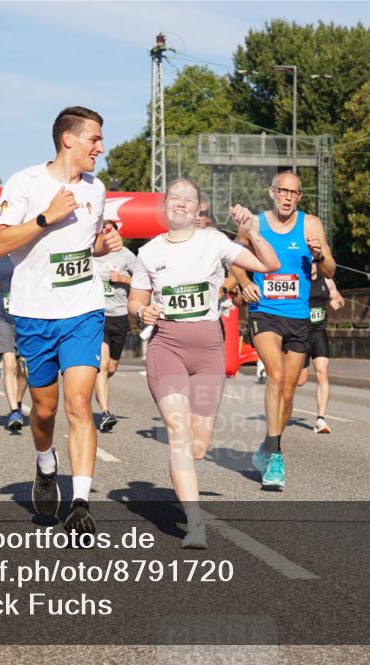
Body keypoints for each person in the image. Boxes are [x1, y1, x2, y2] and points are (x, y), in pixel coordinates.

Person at [0, 105, 122, 535]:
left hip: (82, 308)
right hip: (34, 312)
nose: (100, 148)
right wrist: (47, 215)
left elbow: (86, 249)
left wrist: (104, 245)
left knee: (79, 403)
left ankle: (81, 502)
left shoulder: (96, 189)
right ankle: (46, 464)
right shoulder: (24, 182)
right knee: (44, 409)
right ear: (69, 139)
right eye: (94, 139)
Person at [128, 177, 280, 547]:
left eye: (188, 199)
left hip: (209, 350)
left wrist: (253, 232)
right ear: (164, 207)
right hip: (167, 347)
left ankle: (187, 485)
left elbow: (270, 264)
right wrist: (142, 311)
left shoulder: (214, 242)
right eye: (174, 198)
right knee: (179, 434)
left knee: (199, 443)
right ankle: (194, 522)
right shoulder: (148, 253)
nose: (180, 203)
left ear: (198, 210)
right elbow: (134, 304)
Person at [229, 171, 335, 489]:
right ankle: (276, 457)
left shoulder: (311, 224)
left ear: (299, 197)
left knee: (288, 392)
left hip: (299, 314)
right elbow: (232, 256)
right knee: (274, 376)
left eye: (294, 193)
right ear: (272, 192)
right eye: (283, 191)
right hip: (265, 312)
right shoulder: (255, 224)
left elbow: (331, 269)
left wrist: (320, 256)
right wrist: (246, 283)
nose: (288, 197)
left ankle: (267, 445)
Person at [296, 263, 345, 433]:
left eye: (313, 262)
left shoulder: (327, 282)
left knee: (322, 371)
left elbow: (338, 297)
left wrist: (338, 302)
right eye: (306, 262)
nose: (310, 266)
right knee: (300, 381)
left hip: (318, 332)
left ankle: (320, 419)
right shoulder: (298, 281)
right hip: (300, 334)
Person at [93, 244, 137, 432]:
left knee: (111, 367)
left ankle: (94, 384)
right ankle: (105, 412)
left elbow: (143, 281)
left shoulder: (126, 255)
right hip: (96, 315)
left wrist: (122, 279)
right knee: (102, 366)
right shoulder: (90, 252)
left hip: (119, 315)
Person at [0, 255, 28, 431]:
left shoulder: (31, 250)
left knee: (24, 369)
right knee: (9, 364)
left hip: (28, 318)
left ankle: (17, 401)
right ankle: (14, 411)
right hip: (4, 317)